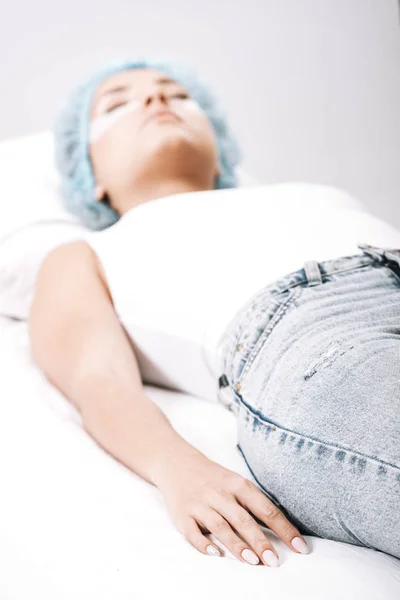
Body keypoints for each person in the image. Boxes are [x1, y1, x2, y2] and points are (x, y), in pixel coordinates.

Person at [28, 57, 400, 567]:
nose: (157, 100)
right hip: (316, 340)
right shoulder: (87, 253)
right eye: (117, 104)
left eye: (178, 95)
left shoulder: (317, 195)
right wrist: (177, 467)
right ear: (89, 173)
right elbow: (99, 380)